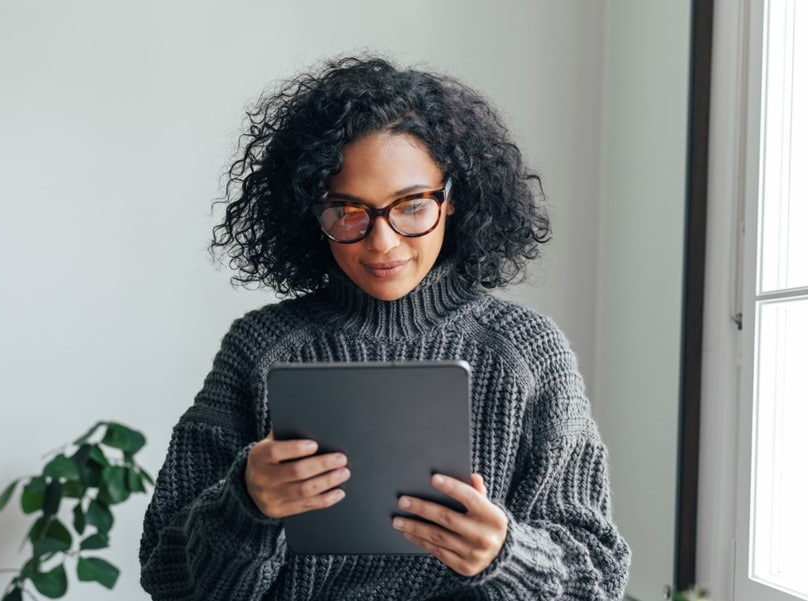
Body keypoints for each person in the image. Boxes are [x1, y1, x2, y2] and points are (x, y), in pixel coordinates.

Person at [138, 55, 631, 600]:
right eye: (348, 211)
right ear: (310, 211)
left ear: (453, 199)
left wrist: (505, 557)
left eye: (411, 206)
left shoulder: (526, 353)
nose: (382, 242)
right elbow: (167, 576)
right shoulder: (260, 349)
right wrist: (246, 505)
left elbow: (599, 576)